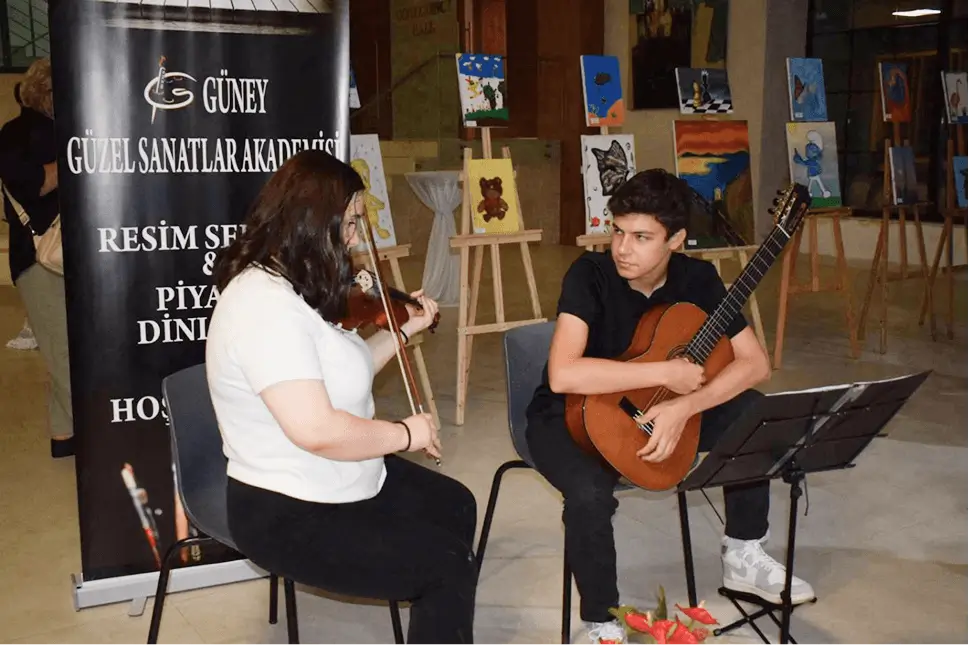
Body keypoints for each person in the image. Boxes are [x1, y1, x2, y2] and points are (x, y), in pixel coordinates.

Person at [524, 169, 815, 645]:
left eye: (642, 237)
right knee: (590, 494)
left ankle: (743, 550)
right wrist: (664, 374)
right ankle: (601, 619)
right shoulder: (590, 273)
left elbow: (753, 362)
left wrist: (685, 406)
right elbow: (565, 373)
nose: (622, 248)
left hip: (668, 405)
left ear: (676, 239)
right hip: (569, 415)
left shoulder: (698, 278)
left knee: (752, 413)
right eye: (618, 231)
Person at [205, 149, 478, 645]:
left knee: (454, 505)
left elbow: (343, 371)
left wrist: (402, 331)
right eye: (350, 222)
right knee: (445, 566)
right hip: (286, 507)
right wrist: (404, 433)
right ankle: (436, 596)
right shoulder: (262, 308)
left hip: (338, 477)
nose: (355, 236)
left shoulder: (296, 283)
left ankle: (435, 614)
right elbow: (317, 429)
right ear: (313, 223)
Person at [0, 59, 73, 458]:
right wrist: (76, 157)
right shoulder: (15, 134)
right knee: (64, 352)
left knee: (65, 347)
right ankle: (94, 436)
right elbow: (31, 184)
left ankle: (64, 437)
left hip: (52, 257)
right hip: (39, 258)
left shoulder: (46, 131)